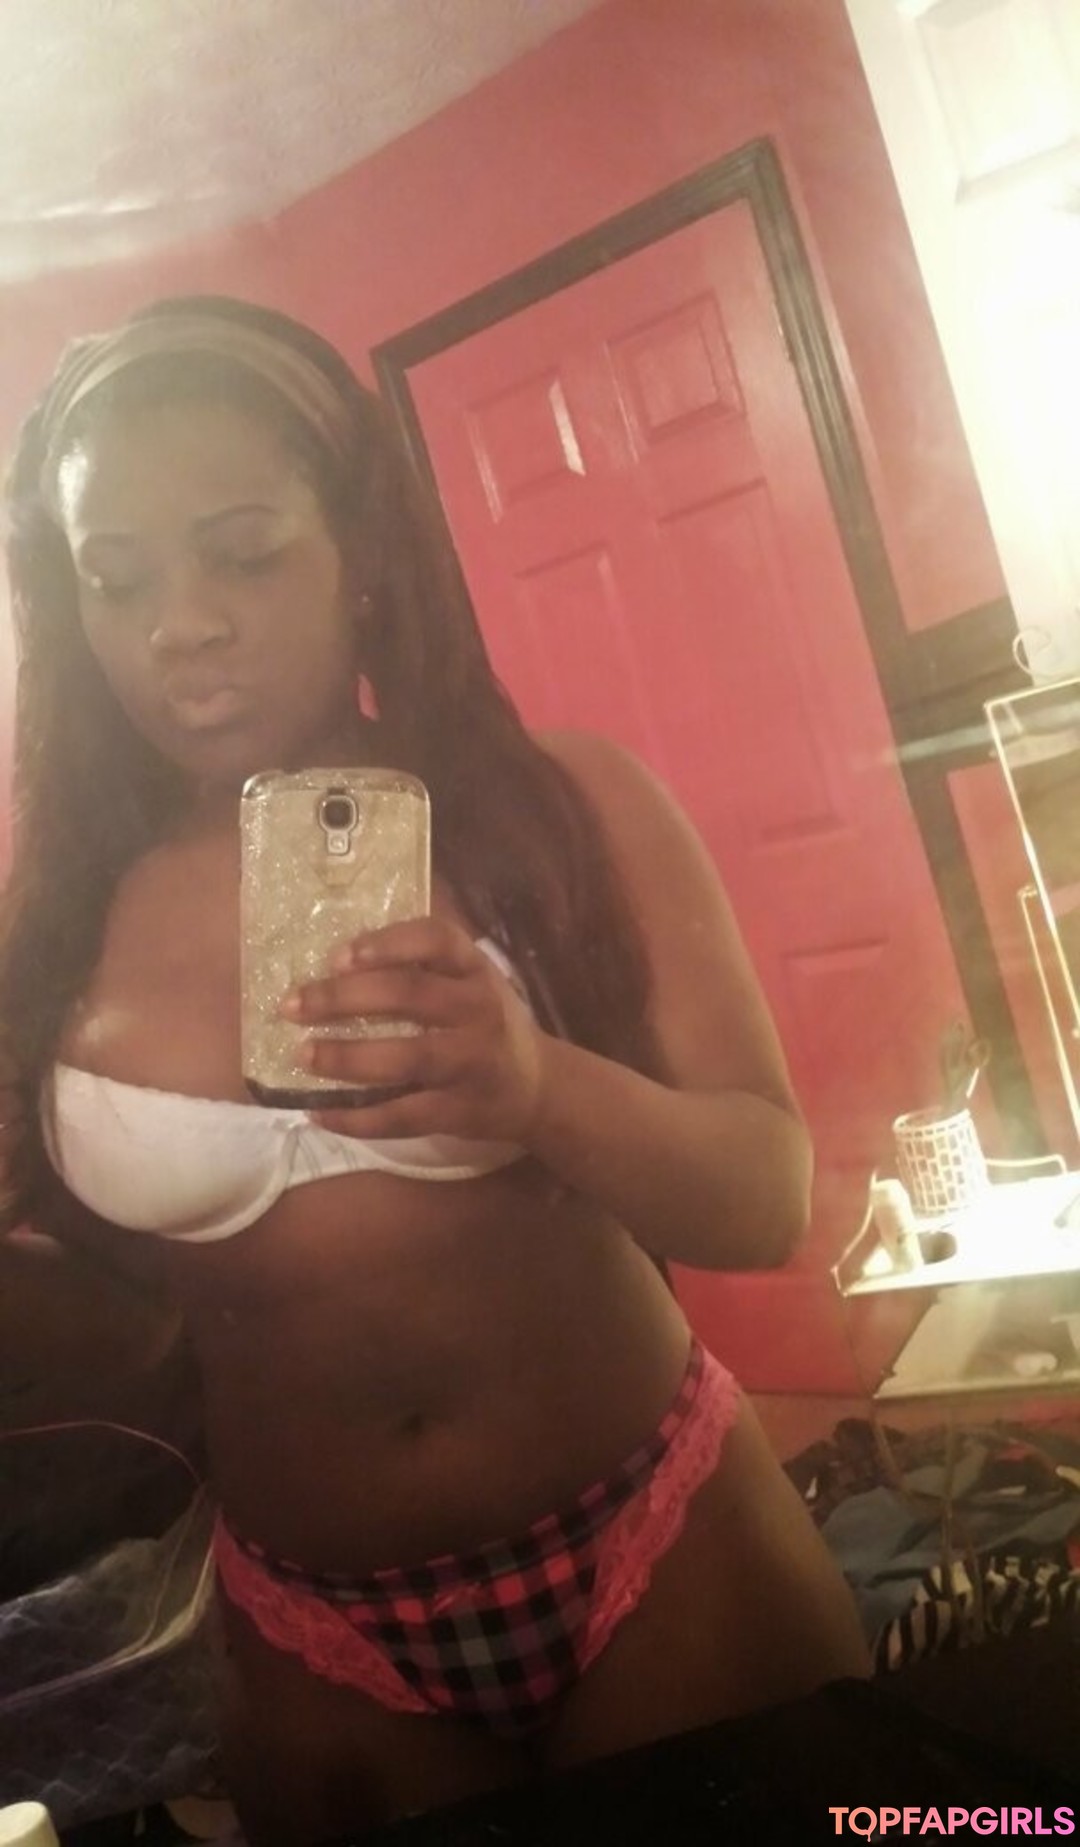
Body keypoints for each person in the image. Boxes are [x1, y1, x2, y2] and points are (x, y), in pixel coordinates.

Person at [0, 296, 870, 1842]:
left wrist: (536, 1090)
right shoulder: (56, 926)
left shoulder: (555, 806)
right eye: (115, 579)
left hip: (659, 1536)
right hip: (312, 1623)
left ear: (363, 553)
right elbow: (120, 1334)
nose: (179, 625)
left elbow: (767, 1197)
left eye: (242, 552)